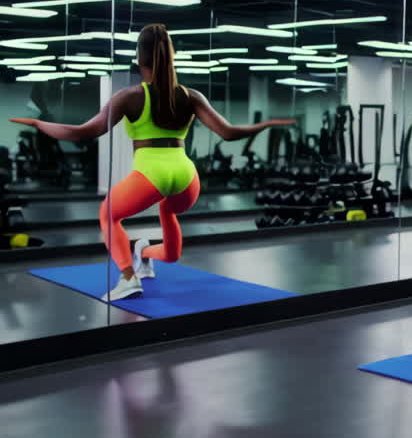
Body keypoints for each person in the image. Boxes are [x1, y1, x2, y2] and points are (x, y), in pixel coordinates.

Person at [10, 23, 293, 301]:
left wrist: (37, 122)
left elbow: (84, 133)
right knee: (169, 228)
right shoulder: (191, 96)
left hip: (151, 174)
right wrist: (266, 124)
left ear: (138, 57)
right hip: (186, 175)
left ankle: (128, 278)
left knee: (108, 215)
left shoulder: (130, 97)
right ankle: (144, 252)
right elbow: (228, 133)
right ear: (171, 56)